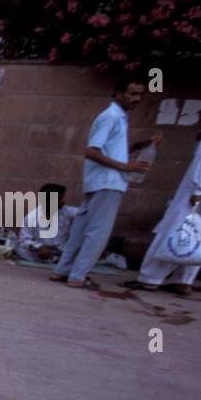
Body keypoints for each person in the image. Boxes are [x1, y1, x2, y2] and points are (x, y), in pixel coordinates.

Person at [50, 77, 161, 290]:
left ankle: (62, 271)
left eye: (140, 95)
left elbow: (111, 150)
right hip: (108, 182)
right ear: (119, 94)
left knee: (81, 229)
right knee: (97, 233)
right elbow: (91, 151)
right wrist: (125, 167)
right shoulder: (111, 117)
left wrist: (140, 146)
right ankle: (78, 276)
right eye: (132, 94)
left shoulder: (118, 118)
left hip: (100, 182)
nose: (137, 99)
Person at [127, 130, 201, 297]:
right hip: (199, 193)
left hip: (196, 193)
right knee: (198, 235)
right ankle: (183, 281)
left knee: (173, 231)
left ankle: (150, 279)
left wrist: (198, 190)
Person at [14, 183, 78, 263]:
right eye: (59, 199)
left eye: (62, 198)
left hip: (63, 251)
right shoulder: (31, 217)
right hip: (40, 251)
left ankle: (60, 261)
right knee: (20, 248)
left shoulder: (69, 212)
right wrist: (40, 247)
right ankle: (53, 261)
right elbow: (23, 240)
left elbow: (86, 215)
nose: (63, 202)